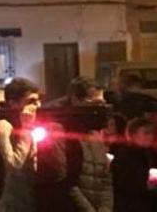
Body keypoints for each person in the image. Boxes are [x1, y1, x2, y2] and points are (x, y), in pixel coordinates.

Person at [62, 77, 112, 212]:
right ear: (76, 101)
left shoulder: (96, 134)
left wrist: (105, 208)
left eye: (103, 103)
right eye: (96, 103)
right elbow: (68, 182)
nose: (101, 108)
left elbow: (105, 177)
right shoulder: (63, 133)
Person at [0, 77, 40, 212]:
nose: (38, 105)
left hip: (31, 197)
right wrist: (26, 129)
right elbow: (13, 166)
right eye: (31, 101)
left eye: (38, 100)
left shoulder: (31, 125)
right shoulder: (4, 126)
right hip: (13, 202)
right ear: (13, 103)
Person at [111, 117, 157, 212]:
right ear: (132, 135)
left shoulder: (152, 155)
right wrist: (145, 185)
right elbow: (121, 184)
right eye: (146, 133)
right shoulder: (124, 156)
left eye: (152, 133)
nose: (150, 136)